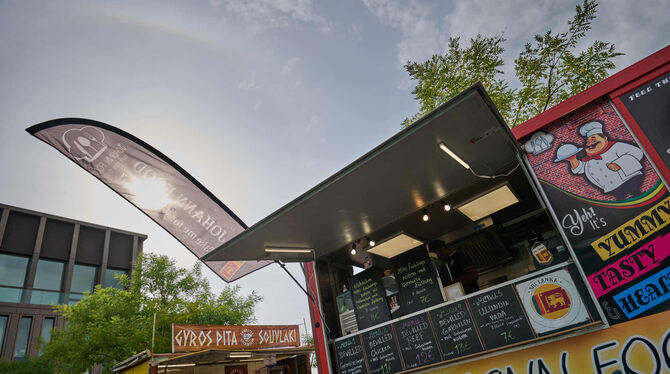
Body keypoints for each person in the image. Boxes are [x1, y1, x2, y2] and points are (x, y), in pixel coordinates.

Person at [555, 120, 645, 200]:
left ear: (605, 139)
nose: (590, 144)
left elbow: (637, 152)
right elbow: (579, 169)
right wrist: (572, 159)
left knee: (636, 194)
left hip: (630, 179)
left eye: (594, 140)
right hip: (612, 188)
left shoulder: (615, 146)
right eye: (588, 142)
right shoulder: (589, 159)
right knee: (623, 199)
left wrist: (619, 164)